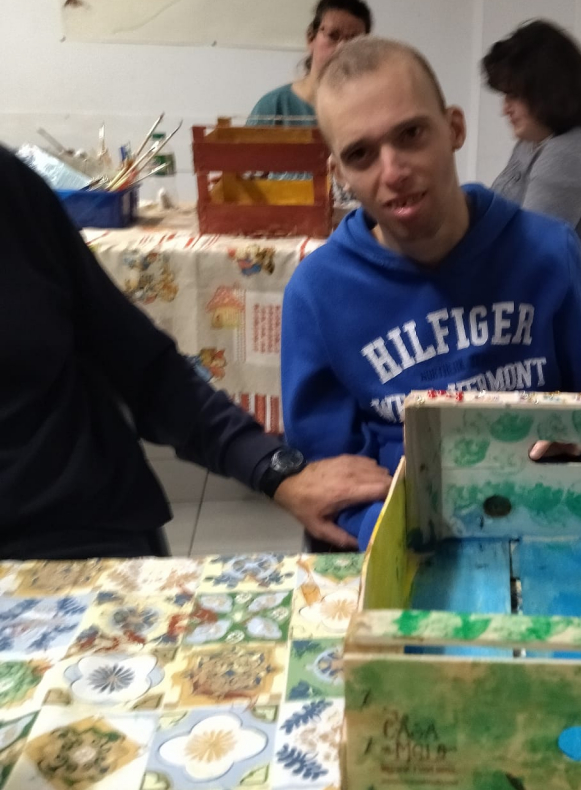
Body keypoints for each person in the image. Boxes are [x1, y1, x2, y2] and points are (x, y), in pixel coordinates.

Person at [281, 37, 581, 549]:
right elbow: (329, 479)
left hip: (548, 528)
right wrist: (404, 538)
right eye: (361, 154)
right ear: (339, 174)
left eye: (411, 134)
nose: (393, 171)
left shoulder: (547, 252)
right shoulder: (317, 293)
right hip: (407, 539)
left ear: (454, 128)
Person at [0, 145, 391, 560]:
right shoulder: (324, 279)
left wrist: (273, 467)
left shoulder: (10, 190)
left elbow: (146, 369)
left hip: (89, 526)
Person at [482, 20, 581, 273]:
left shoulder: (570, 154)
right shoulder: (535, 139)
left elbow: (529, 258)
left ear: (548, 91)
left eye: (513, 95)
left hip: (553, 291)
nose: (504, 109)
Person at [249, 0, 373, 127]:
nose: (341, 48)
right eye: (333, 35)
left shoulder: (370, 110)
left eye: (354, 41)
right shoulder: (273, 107)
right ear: (311, 38)